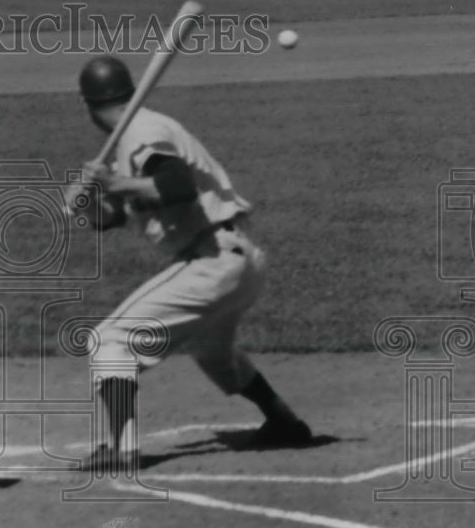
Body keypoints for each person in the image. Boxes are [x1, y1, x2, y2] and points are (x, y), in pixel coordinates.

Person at [69, 56, 311, 470]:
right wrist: (90, 203)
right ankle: (284, 422)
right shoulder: (133, 138)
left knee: (109, 341)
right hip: (233, 261)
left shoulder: (143, 130)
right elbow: (116, 216)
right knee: (212, 351)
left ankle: (122, 449)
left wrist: (117, 183)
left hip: (213, 258)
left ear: (89, 106)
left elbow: (177, 186)